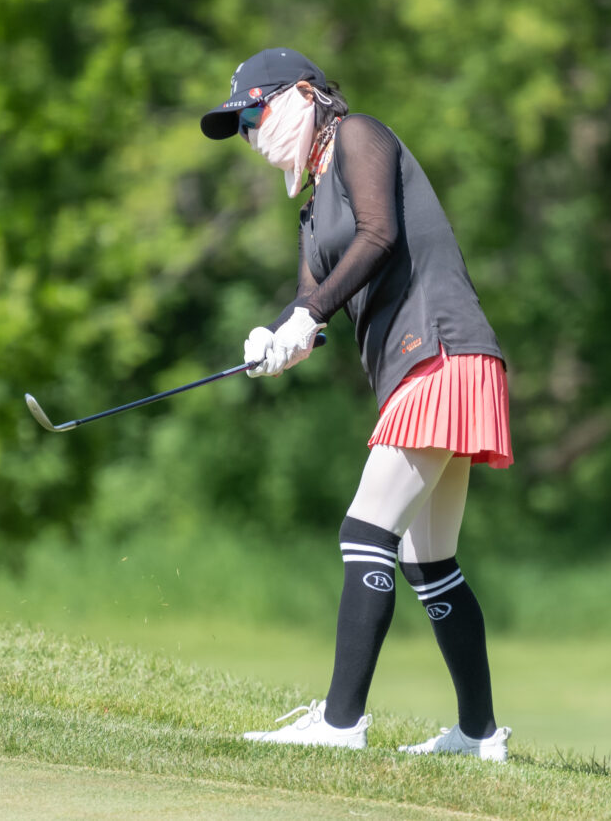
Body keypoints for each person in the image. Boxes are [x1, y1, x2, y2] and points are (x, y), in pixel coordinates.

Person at [200, 48, 514, 760]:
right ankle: (478, 734)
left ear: (303, 94)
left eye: (255, 114)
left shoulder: (359, 136)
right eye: (241, 127)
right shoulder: (313, 209)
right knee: (428, 560)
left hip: (438, 351)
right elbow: (314, 296)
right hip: (430, 365)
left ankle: (341, 726)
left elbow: (380, 235)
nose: (251, 134)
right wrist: (280, 334)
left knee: (364, 532)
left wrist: (309, 317)